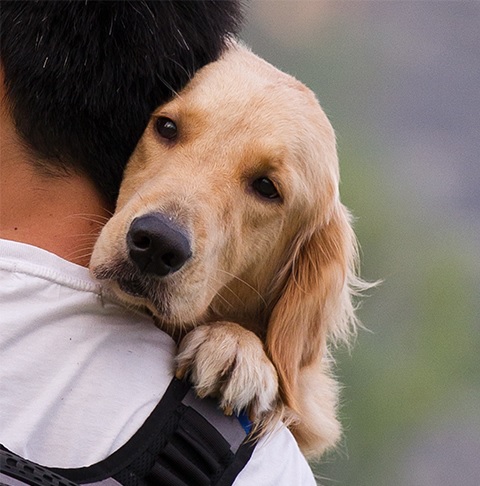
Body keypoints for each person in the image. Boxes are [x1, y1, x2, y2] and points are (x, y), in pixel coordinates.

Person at [0, 2, 317, 484]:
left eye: (264, 188)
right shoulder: (258, 469)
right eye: (168, 129)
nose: (168, 229)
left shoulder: (245, 452)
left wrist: (248, 345)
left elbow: (306, 406)